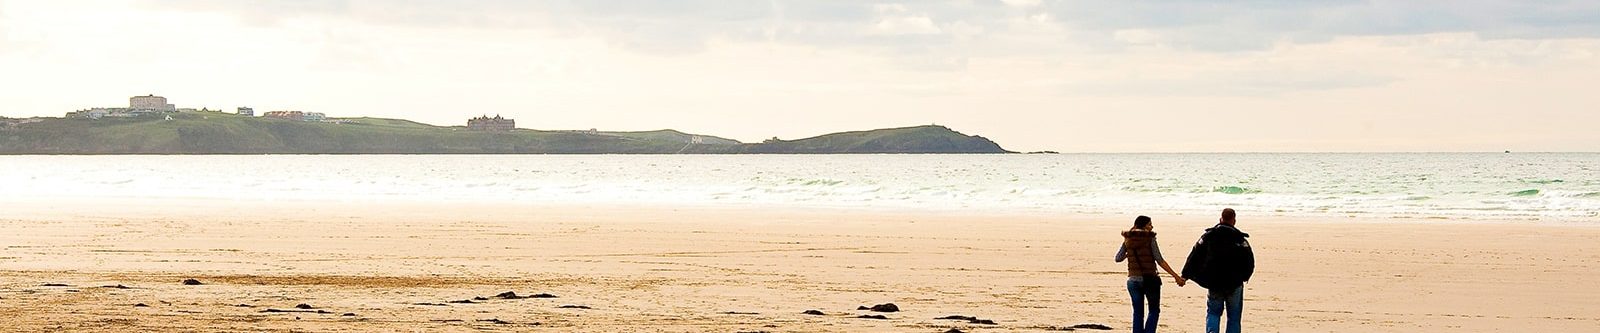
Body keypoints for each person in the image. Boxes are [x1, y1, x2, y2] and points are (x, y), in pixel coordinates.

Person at [1181, 208, 1255, 333]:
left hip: (1214, 282)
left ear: (1220, 219)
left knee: (1213, 313)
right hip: (1234, 283)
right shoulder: (1239, 239)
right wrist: (1245, 276)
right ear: (1234, 221)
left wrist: (1185, 275)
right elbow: (1249, 260)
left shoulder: (1208, 236)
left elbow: (1195, 255)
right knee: (1234, 317)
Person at [1115, 215, 1186, 333]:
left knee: (1138, 312)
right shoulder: (1150, 238)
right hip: (1150, 279)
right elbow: (1159, 260)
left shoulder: (1127, 238)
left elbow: (1118, 258)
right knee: (1154, 310)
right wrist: (1176, 276)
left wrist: (1130, 254)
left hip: (1133, 280)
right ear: (1143, 226)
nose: (1152, 227)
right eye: (1149, 224)